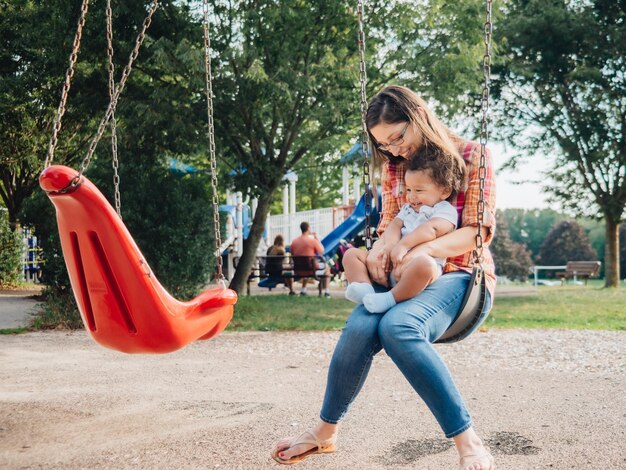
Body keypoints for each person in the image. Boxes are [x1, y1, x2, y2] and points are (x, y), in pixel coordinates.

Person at [272, 85, 497, 470]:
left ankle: (468, 441)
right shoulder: (395, 166)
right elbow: (392, 225)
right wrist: (380, 251)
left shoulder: (473, 156)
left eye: (397, 137)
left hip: (459, 273)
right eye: (384, 145)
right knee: (361, 326)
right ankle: (325, 433)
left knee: (399, 326)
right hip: (403, 273)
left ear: (419, 117)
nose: (394, 150)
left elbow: (476, 232)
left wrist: (418, 250)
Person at [343, 145, 465, 313]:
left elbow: (432, 229)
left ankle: (391, 298)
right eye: (408, 190)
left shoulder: (444, 210)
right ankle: (364, 289)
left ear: (444, 191)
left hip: (415, 267)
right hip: (392, 263)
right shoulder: (408, 208)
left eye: (419, 190)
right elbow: (395, 225)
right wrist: (390, 245)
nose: (412, 196)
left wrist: (403, 246)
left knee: (426, 265)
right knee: (351, 254)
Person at [289, 222, 331, 297]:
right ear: (308, 228)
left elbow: (292, 253)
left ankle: (303, 289)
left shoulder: (294, 241)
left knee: (308, 264)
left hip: (298, 269)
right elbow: (321, 251)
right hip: (311, 269)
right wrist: (316, 238)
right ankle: (327, 292)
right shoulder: (312, 241)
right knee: (327, 267)